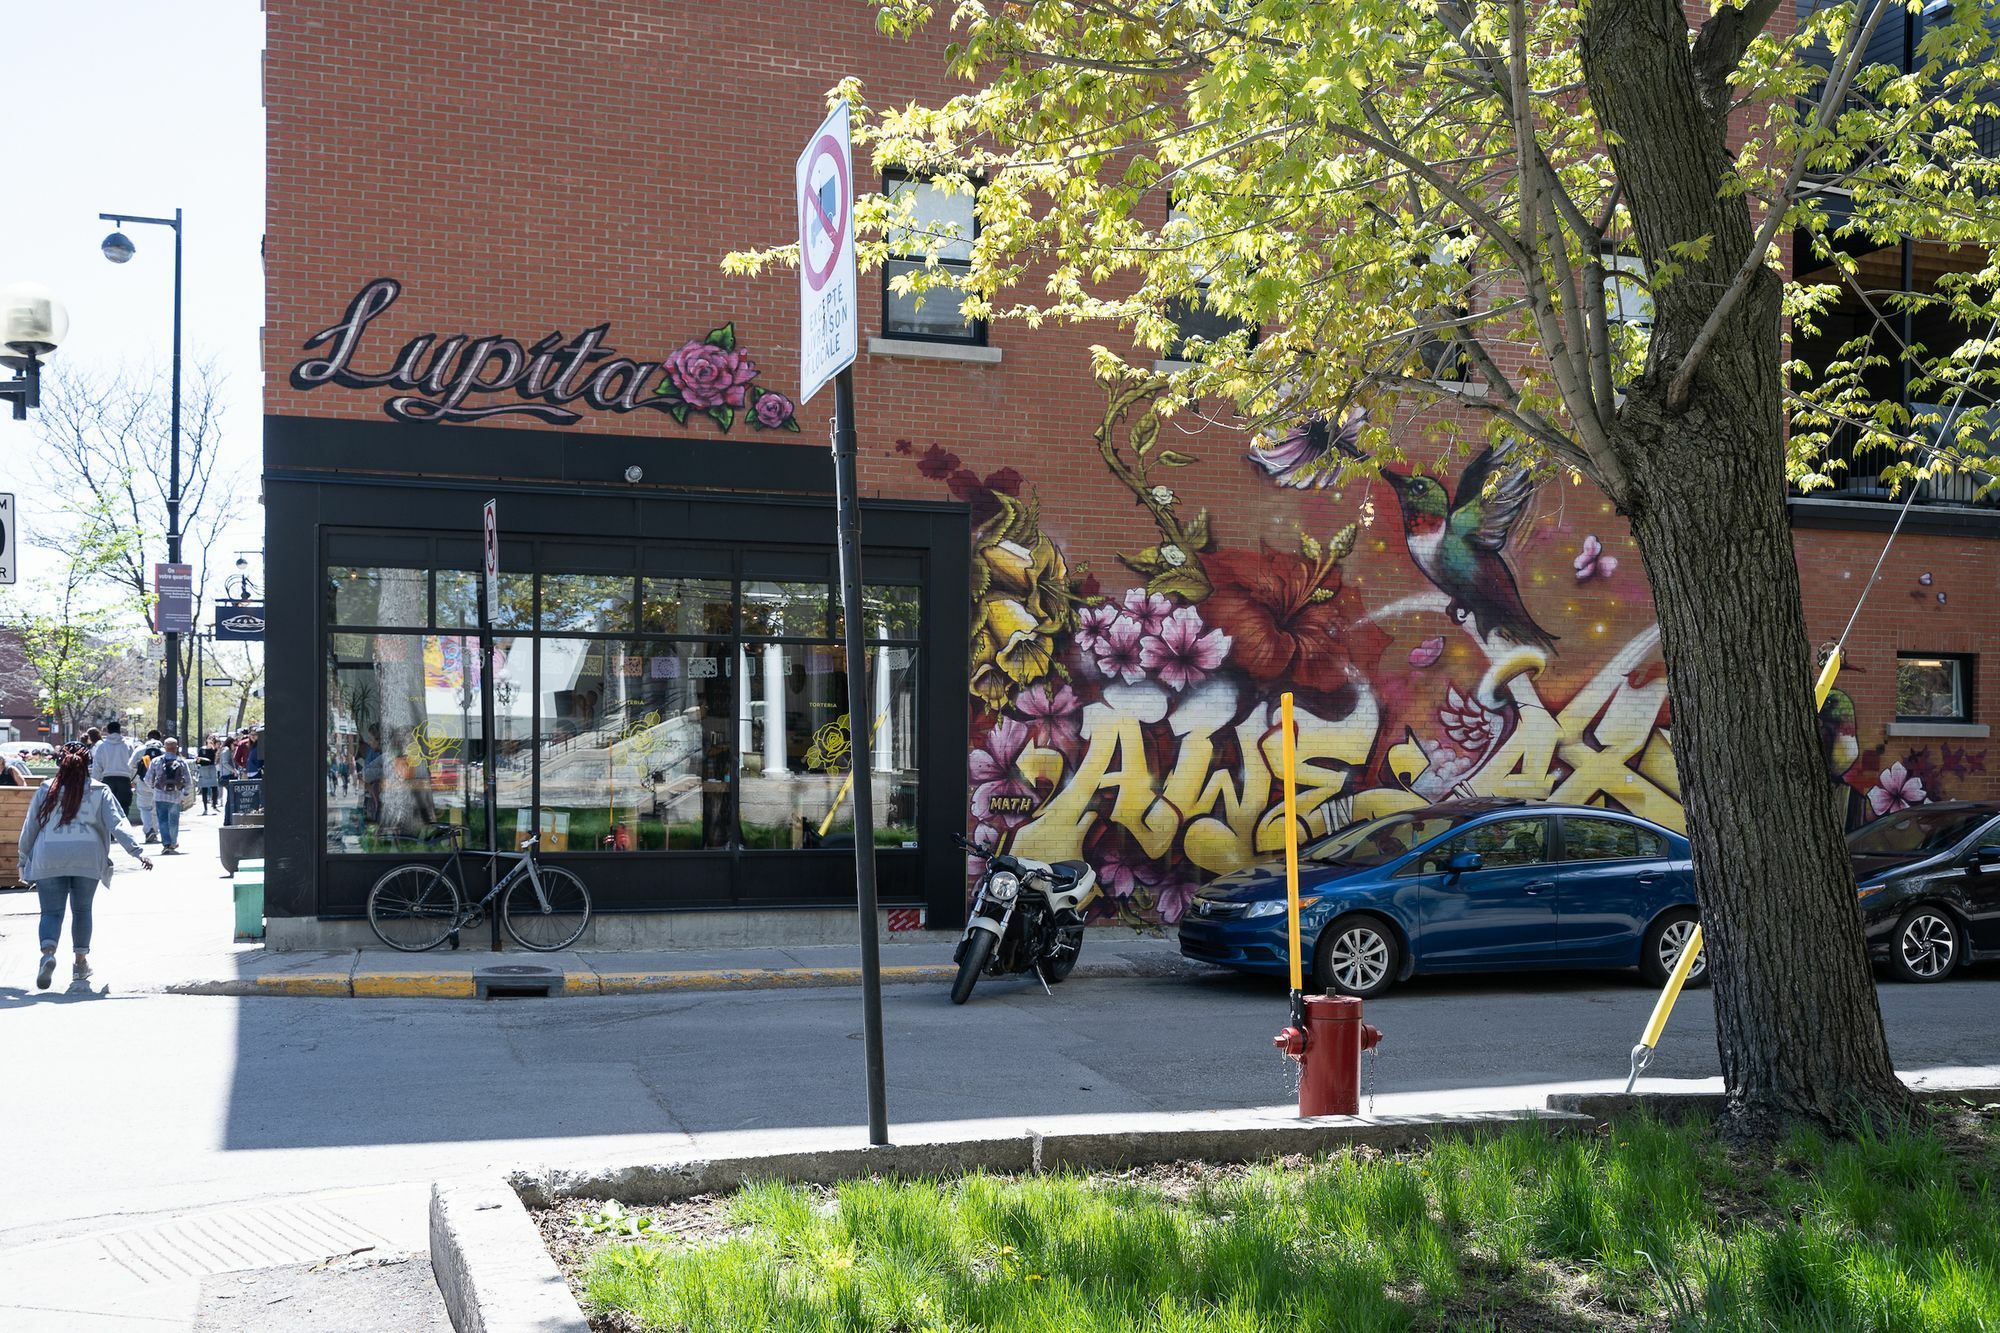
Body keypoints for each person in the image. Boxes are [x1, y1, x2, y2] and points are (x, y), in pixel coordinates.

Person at [22, 745, 152, 989]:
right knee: (82, 910)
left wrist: (22, 858)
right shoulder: (99, 789)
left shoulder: (46, 788)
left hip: (49, 855)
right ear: (88, 764)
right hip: (87, 856)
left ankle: (48, 954)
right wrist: (138, 852)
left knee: (51, 912)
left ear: (61, 763)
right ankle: (80, 964)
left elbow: (31, 826)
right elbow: (117, 823)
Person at [144, 737, 193, 853]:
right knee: (174, 820)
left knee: (162, 820)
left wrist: (153, 787)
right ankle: (173, 842)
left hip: (160, 795)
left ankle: (166, 843)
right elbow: (188, 781)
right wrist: (185, 793)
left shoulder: (156, 761)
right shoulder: (181, 761)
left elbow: (148, 778)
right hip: (176, 796)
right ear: (176, 748)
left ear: (165, 748)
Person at [91, 721, 138, 824]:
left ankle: (110, 833)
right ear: (119, 730)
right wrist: (134, 780)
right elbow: (133, 764)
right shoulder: (128, 745)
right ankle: (123, 829)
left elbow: (97, 766)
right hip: (124, 779)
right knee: (124, 806)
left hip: (108, 780)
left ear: (108, 731)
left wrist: (94, 781)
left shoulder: (102, 746)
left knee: (108, 807)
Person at [131, 730, 166, 845]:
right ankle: (155, 832)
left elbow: (130, 765)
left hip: (143, 782)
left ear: (148, 737)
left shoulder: (140, 749)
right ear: (159, 738)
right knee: (156, 808)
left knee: (144, 807)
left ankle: (148, 831)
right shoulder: (163, 750)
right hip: (159, 784)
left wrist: (134, 780)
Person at [196, 735, 221, 814]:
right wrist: (198, 760)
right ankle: (205, 808)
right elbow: (198, 760)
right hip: (203, 769)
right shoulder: (202, 749)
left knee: (214, 787)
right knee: (204, 788)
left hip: (211, 768)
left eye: (212, 739)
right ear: (206, 739)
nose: (210, 740)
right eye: (209, 738)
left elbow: (216, 758)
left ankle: (214, 805)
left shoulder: (214, 749)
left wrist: (213, 747)